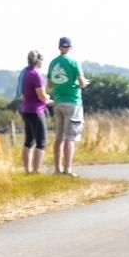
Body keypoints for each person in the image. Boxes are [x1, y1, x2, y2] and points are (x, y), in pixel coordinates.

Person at [47, 36, 90, 176]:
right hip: (72, 101)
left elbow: (49, 84)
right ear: (70, 47)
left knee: (59, 137)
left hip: (58, 101)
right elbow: (82, 83)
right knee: (70, 137)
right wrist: (84, 83)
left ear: (59, 47)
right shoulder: (74, 62)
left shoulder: (53, 62)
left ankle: (57, 169)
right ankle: (68, 169)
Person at [19, 50, 51, 173]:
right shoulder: (36, 75)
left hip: (26, 109)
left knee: (29, 141)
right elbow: (41, 96)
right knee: (41, 141)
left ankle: (27, 170)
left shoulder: (26, 73)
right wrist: (48, 98)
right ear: (38, 61)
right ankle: (36, 170)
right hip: (36, 111)